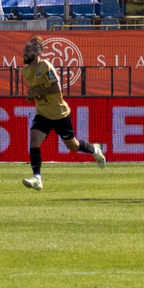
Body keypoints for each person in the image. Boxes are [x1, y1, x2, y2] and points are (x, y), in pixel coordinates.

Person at [17, 34, 106, 189]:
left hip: (59, 113)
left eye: (28, 51)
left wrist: (36, 93)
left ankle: (94, 149)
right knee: (34, 140)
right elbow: (36, 91)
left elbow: (56, 88)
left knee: (73, 145)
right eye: (24, 50)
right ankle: (37, 177)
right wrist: (32, 97)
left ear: (38, 53)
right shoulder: (25, 71)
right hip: (43, 113)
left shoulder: (46, 67)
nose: (24, 53)